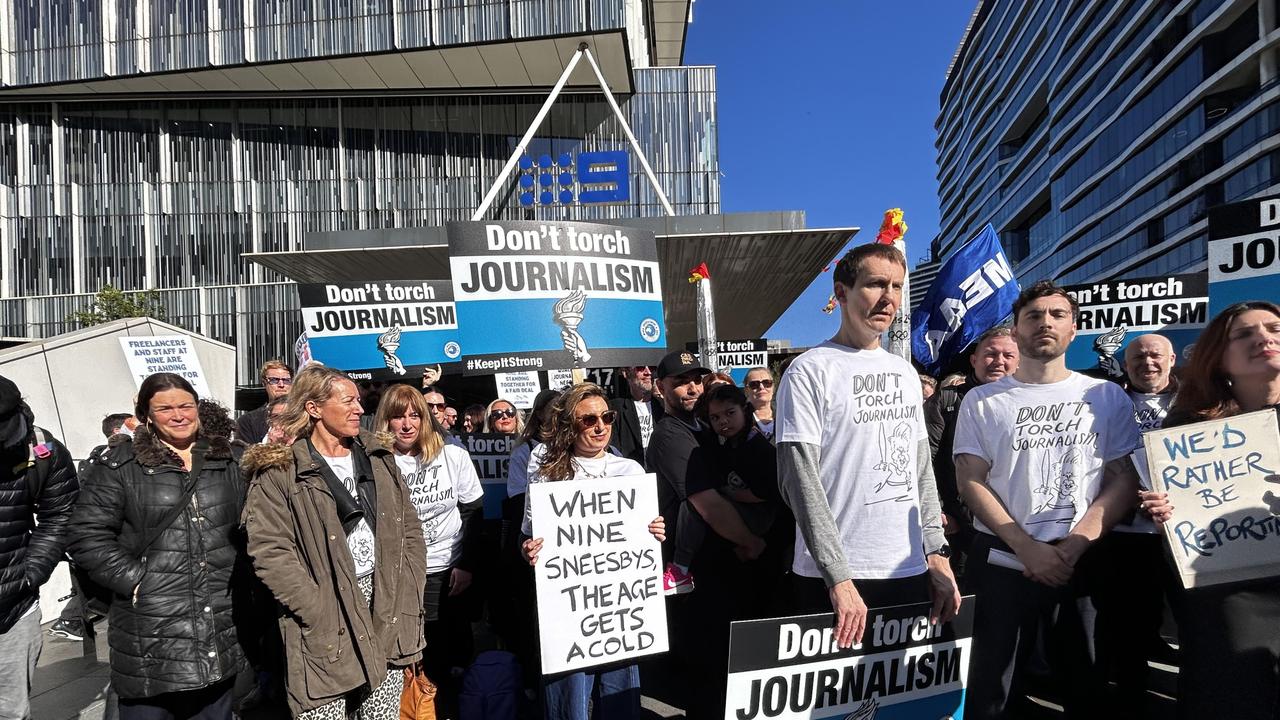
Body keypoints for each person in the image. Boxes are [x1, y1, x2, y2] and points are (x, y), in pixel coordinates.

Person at [953, 281, 1140, 720]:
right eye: (1033, 315)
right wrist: (1026, 547)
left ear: (1074, 330)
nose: (1045, 322)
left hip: (1082, 557)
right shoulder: (981, 401)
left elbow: (1123, 479)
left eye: (1057, 314)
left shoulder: (1105, 395)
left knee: (1086, 681)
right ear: (1016, 331)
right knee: (993, 687)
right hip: (1002, 559)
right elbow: (970, 481)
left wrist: (1074, 546)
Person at [776, 243, 958, 648]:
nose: (888, 297)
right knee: (835, 705)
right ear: (841, 292)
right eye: (875, 284)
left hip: (906, 567)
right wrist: (838, 576)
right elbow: (799, 480)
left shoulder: (905, 373)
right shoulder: (808, 371)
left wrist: (937, 554)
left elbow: (919, 470)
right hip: (835, 577)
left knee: (900, 698)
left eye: (896, 286)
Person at [241, 365, 427, 720]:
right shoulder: (280, 471)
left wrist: (409, 585)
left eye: (359, 400)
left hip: (385, 605)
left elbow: (410, 529)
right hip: (326, 614)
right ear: (314, 408)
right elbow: (270, 551)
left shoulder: (378, 458)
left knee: (381, 715)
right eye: (349, 401)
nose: (360, 408)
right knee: (323, 713)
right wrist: (315, 608)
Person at [69, 373, 245, 719]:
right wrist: (134, 580)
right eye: (164, 408)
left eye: (185, 406)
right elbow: (85, 533)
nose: (178, 416)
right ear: (146, 416)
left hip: (218, 619)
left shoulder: (229, 460)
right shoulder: (121, 465)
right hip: (150, 627)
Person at [1140, 301, 1280, 720]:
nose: (1263, 337)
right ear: (1219, 357)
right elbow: (1182, 533)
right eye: (1244, 334)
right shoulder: (1189, 428)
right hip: (1228, 595)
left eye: (1274, 327)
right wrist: (1165, 513)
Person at [519, 383, 665, 720]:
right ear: (569, 425)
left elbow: (642, 541)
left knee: (620, 704)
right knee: (568, 707)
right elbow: (527, 536)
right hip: (568, 615)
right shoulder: (547, 474)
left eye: (606, 417)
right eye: (588, 420)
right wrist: (529, 550)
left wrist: (655, 533)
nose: (600, 426)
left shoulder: (630, 471)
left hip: (617, 616)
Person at [647, 351, 764, 720]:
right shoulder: (669, 434)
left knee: (730, 671)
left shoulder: (703, 425)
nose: (692, 387)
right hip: (697, 574)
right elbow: (705, 501)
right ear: (660, 387)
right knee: (707, 675)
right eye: (681, 381)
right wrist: (750, 540)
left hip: (725, 567)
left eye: (696, 379)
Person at [374, 385, 483, 695]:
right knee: (408, 647)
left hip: (449, 568)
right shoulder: (377, 462)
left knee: (447, 645)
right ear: (386, 420)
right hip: (401, 573)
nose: (407, 425)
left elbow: (474, 510)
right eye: (397, 417)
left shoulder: (453, 455)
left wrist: (467, 565)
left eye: (414, 416)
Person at [0, 375, 78, 720]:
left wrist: (30, 574)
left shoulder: (42, 450)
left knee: (11, 711)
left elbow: (61, 515)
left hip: (13, 612)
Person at [924, 326, 1019, 585]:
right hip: (958, 527)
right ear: (974, 360)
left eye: (1008, 356)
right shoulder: (946, 400)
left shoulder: (1029, 402)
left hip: (1015, 531)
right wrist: (940, 511)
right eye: (991, 354)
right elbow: (926, 461)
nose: (999, 361)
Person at [53, 411, 134, 641]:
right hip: (107, 541)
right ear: (119, 431)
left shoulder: (99, 459)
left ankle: (74, 618)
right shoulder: (108, 462)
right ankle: (74, 618)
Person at [609, 366, 664, 468]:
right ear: (626, 373)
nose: (648, 372)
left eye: (651, 368)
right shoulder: (615, 409)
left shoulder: (663, 407)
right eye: (640, 368)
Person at [236, 360, 293, 443]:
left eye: (286, 380)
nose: (281, 385)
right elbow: (243, 454)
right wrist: (268, 444)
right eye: (274, 380)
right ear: (264, 383)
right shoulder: (248, 421)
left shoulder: (305, 416)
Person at [743, 367, 775, 440]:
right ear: (746, 390)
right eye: (754, 384)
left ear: (773, 388)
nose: (761, 387)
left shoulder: (785, 416)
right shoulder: (740, 420)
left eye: (767, 383)